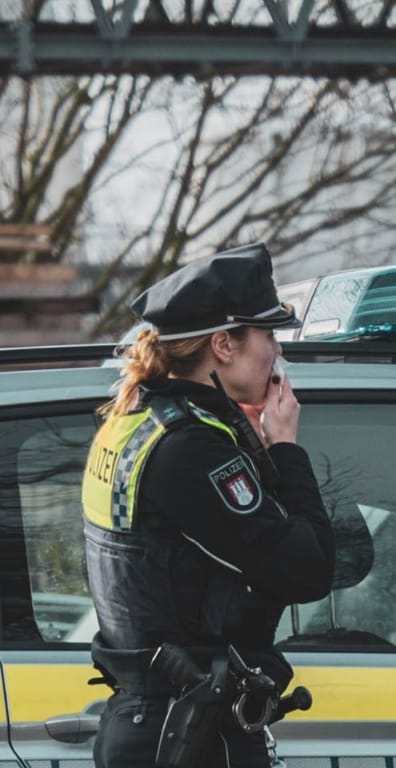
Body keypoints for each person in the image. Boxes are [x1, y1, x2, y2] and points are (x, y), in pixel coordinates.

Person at [81, 244, 335, 768]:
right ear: (223, 344)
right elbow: (308, 569)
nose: (277, 355)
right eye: (268, 337)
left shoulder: (134, 423)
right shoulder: (193, 447)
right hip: (192, 733)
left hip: (150, 720)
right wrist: (285, 449)